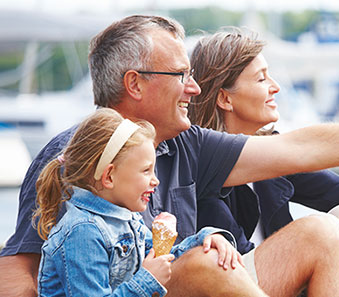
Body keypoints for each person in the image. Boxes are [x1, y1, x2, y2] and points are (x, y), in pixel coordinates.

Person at [0, 15, 339, 297]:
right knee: (199, 264)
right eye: (181, 76)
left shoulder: (187, 145)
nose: (193, 87)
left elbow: (305, 147)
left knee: (325, 228)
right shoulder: (70, 154)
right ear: (135, 84)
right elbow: (17, 272)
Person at [189, 27, 339, 293]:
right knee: (320, 230)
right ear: (224, 98)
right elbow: (239, 258)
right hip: (238, 284)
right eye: (261, 79)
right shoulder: (201, 162)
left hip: (282, 275)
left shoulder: (271, 154)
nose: (275, 87)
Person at [34, 108, 240, 296]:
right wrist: (148, 280)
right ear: (109, 177)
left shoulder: (127, 217)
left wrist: (205, 238)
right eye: (145, 170)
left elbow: (163, 258)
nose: (155, 180)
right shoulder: (82, 231)